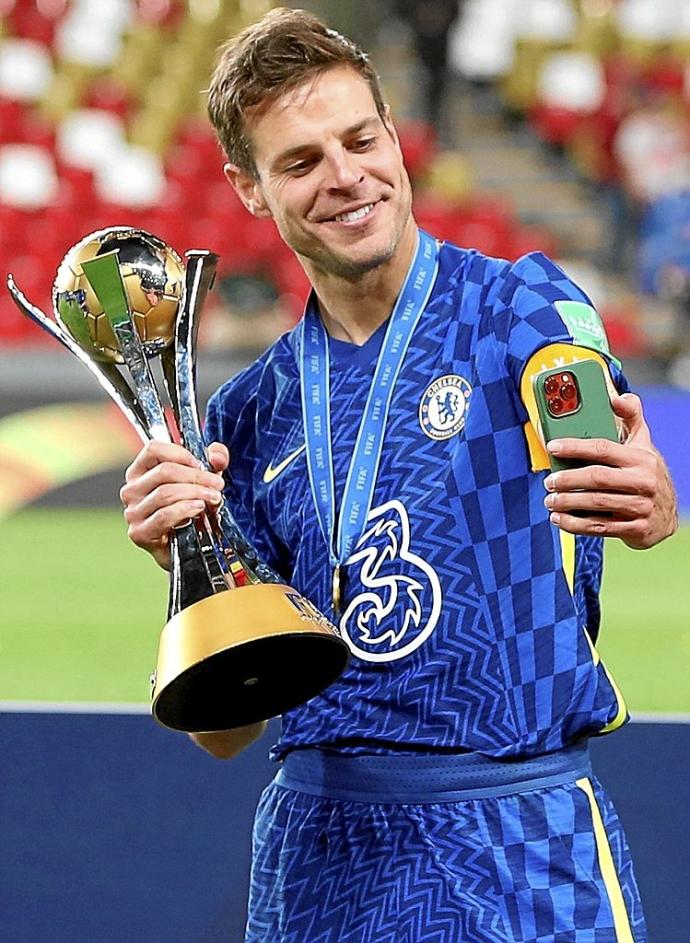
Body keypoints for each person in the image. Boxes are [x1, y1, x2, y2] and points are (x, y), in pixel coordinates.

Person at [120, 8, 677, 942]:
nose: (345, 177)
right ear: (249, 189)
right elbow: (224, 731)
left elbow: (600, 444)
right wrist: (190, 567)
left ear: (395, 134)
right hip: (318, 858)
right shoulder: (249, 416)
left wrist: (646, 488)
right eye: (299, 162)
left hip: (518, 841)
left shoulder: (523, 307)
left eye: (360, 139)